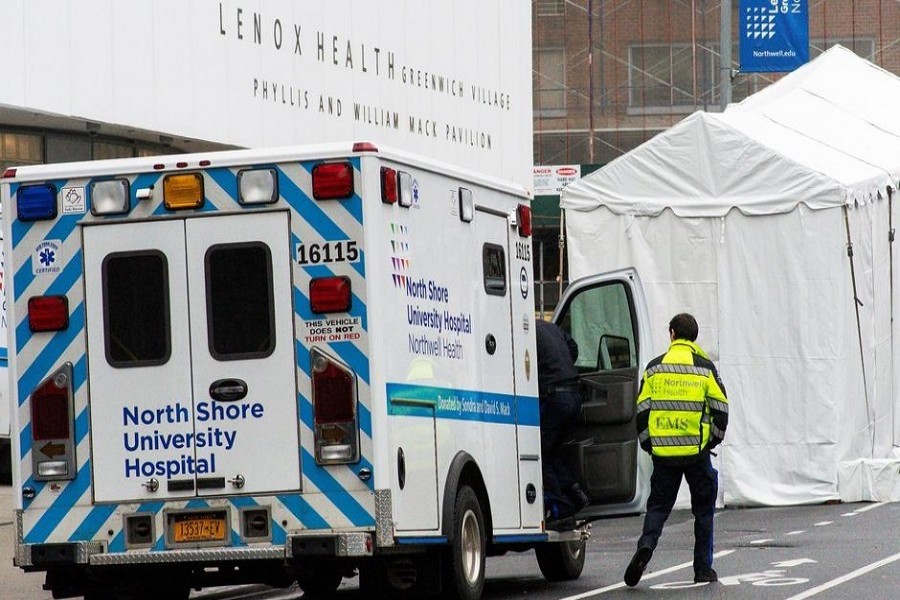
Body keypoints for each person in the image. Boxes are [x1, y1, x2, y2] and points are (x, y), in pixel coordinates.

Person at [624, 313, 729, 586]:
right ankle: (703, 569)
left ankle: (646, 545)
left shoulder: (654, 368)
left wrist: (650, 444)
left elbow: (641, 412)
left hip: (663, 455)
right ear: (694, 337)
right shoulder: (705, 368)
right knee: (703, 510)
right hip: (696, 454)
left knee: (658, 507)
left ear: (671, 334)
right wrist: (711, 441)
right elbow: (721, 410)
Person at [534, 318, 591, 530]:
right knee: (553, 451)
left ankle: (560, 509)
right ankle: (575, 492)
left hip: (554, 398)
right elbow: (573, 348)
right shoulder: (549, 327)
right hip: (574, 396)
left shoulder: (523, 332)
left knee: (538, 454)